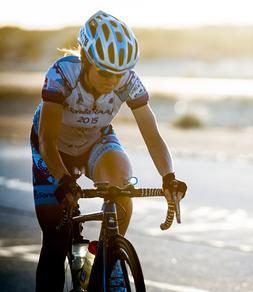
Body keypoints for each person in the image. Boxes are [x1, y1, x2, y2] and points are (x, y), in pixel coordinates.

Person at [30, 11, 187, 291]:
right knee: (56, 238)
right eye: (104, 72)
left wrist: (169, 177)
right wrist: (65, 181)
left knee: (121, 183)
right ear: (87, 61)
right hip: (54, 149)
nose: (111, 81)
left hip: (95, 141)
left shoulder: (128, 81)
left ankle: (109, 259)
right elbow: (47, 141)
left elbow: (152, 136)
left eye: (118, 74)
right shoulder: (62, 74)